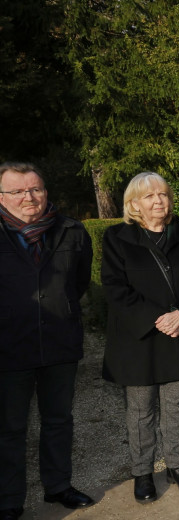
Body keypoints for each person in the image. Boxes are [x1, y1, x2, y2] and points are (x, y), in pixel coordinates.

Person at [101, 172, 179, 503]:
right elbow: (115, 287)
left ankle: (177, 465)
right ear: (133, 203)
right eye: (149, 196)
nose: (158, 201)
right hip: (138, 338)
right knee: (140, 410)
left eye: (163, 194)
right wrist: (158, 319)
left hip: (178, 333)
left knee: (176, 404)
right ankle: (143, 472)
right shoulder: (117, 237)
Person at [0, 162, 95, 520]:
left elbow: (79, 282)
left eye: (36, 189)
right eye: (18, 191)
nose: (29, 197)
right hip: (8, 347)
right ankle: (8, 498)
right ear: (1, 197)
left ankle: (58, 487)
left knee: (59, 421)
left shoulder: (72, 231)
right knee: (9, 428)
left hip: (59, 343)